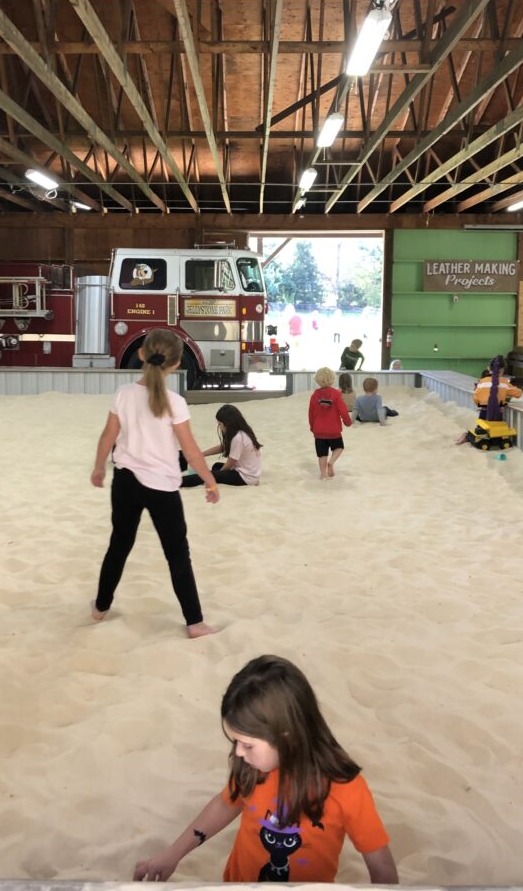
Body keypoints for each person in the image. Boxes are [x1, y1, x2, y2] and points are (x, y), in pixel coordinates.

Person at [133, 655, 399, 885]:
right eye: (235, 741)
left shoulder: (346, 790)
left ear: (287, 735)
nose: (238, 752)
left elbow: (383, 871)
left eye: (248, 744)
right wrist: (172, 855)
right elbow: (226, 805)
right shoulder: (253, 768)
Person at [90, 329, 219, 639]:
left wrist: (98, 468)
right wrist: (210, 480)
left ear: (142, 355)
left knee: (119, 545)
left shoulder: (123, 393)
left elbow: (108, 436)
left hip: (124, 482)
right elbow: (189, 449)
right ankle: (195, 623)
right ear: (175, 365)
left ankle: (100, 607)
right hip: (162, 488)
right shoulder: (175, 402)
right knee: (177, 554)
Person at [181, 405, 262, 488]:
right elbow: (222, 447)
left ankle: (180, 482)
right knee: (216, 466)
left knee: (209, 474)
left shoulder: (238, 439)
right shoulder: (242, 432)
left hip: (245, 478)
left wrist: (219, 474)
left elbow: (230, 463)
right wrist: (201, 454)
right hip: (250, 474)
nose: (219, 426)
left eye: (220, 424)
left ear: (227, 424)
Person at [309, 366, 352, 479]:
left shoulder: (314, 395)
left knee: (322, 454)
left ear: (317, 380)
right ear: (332, 379)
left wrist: (312, 427)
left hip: (319, 431)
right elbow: (343, 410)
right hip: (334, 430)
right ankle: (331, 462)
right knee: (339, 447)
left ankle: (323, 474)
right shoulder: (336, 394)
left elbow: (311, 413)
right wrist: (347, 422)